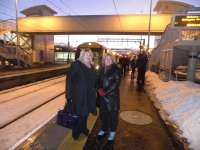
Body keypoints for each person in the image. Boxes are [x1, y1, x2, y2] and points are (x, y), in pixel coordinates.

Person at [66, 49, 97, 140]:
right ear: (82, 56)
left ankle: (84, 128)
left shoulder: (91, 67)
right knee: (78, 114)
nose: (88, 57)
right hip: (79, 96)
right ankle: (76, 132)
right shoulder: (76, 65)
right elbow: (69, 81)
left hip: (89, 96)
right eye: (86, 55)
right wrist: (69, 96)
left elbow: (95, 80)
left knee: (86, 114)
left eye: (90, 55)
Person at [97, 54, 121, 144]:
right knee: (103, 115)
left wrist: (104, 92)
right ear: (103, 60)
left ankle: (112, 132)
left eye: (109, 59)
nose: (107, 60)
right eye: (106, 59)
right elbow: (98, 81)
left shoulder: (116, 69)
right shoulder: (101, 69)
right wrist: (98, 88)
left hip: (112, 98)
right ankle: (104, 129)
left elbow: (116, 83)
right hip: (103, 98)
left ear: (112, 60)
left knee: (113, 116)